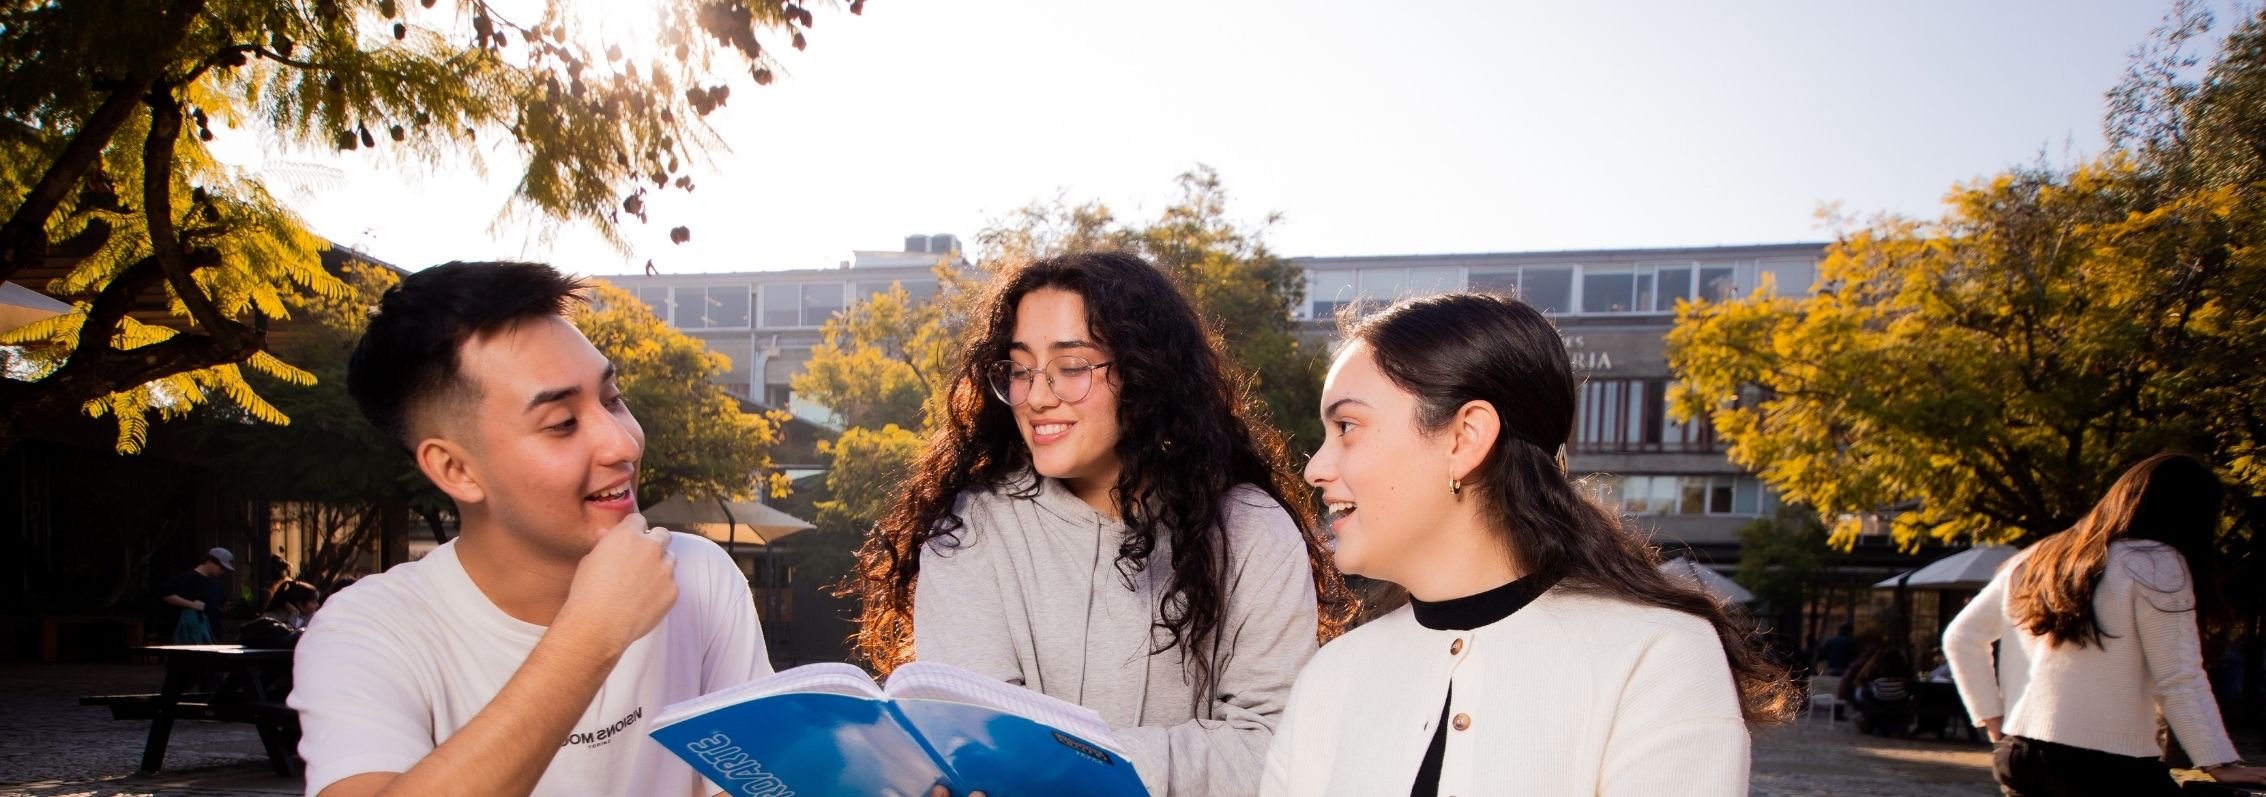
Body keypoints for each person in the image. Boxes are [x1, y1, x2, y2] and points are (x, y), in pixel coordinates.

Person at [851, 251, 1352, 796]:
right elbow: (981, 758)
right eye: (1020, 369)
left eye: (1071, 367)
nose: (1037, 396)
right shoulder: (967, 534)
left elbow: (1276, 747)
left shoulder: (1252, 531)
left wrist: (1079, 764)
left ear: (1146, 376)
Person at [1263, 293, 1795, 797]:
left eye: (1348, 426)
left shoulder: (1657, 657)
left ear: (1464, 437)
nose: (1315, 467)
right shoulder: (1332, 677)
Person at [291, 261, 770, 797]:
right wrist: (592, 633)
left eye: (612, 400)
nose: (622, 443)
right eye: (562, 423)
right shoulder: (369, 629)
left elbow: (752, 784)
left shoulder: (699, 577)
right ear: (457, 469)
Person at [1943, 453, 2266, 795]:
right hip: (2109, 766)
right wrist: (2217, 762)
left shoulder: (2041, 557)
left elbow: (1961, 636)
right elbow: (2179, 677)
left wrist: (1995, 724)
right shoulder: (2157, 563)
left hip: (2022, 757)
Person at [161, 547, 234, 644]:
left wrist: (223, 608)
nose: (222, 571)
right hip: (194, 636)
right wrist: (192, 604)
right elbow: (166, 594)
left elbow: (217, 603)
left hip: (213, 634)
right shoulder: (188, 578)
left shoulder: (215, 582)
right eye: (222, 568)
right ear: (210, 561)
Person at [239, 579, 321, 649]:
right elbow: (286, 639)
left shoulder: (313, 618)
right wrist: (294, 615)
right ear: (300, 604)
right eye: (313, 602)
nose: (317, 605)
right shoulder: (271, 618)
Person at [1849, 648, 1913, 736]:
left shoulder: (1877, 671)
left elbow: (1866, 683)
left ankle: (1870, 722)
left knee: (1866, 694)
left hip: (1880, 701)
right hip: (1900, 701)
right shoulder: (1906, 672)